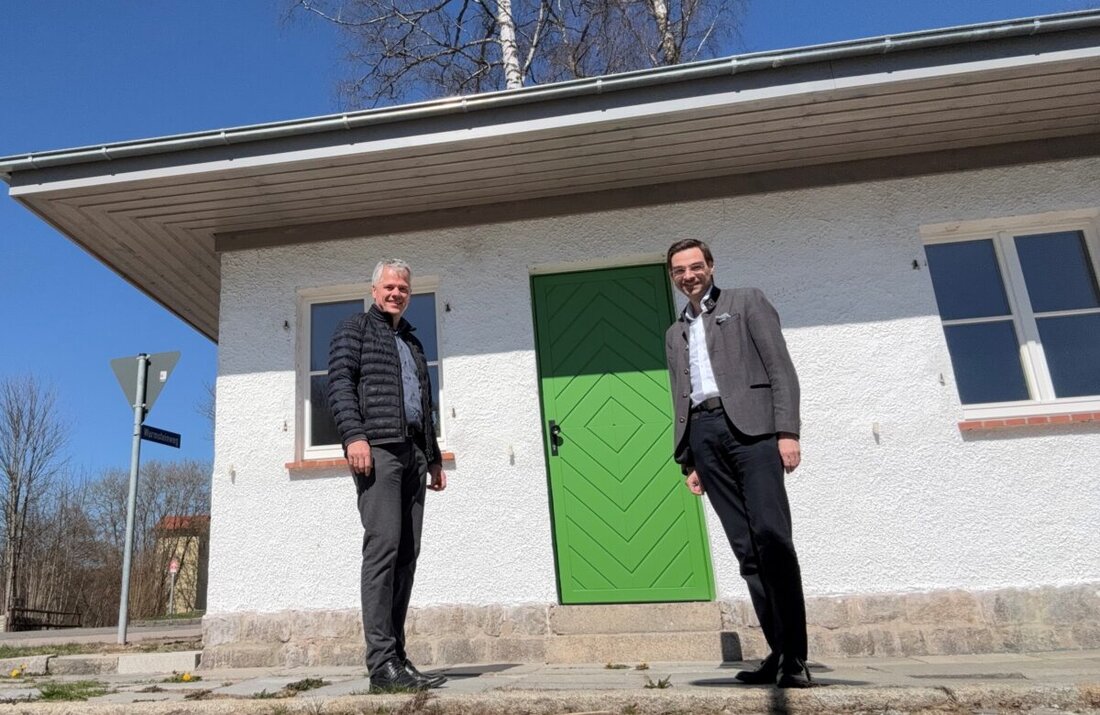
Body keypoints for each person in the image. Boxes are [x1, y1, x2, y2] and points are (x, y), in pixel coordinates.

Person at [664, 239, 813, 688]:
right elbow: (680, 396)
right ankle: (777, 651)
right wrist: (688, 458)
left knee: (772, 539)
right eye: (679, 270)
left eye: (696, 266)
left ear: (710, 266)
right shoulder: (675, 332)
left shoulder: (746, 302)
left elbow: (779, 368)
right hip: (705, 438)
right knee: (747, 553)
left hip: (753, 434)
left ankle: (796, 659)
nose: (689, 275)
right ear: (672, 277)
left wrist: (787, 430)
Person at [327, 258, 447, 693]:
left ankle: (397, 656)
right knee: (383, 550)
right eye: (390, 287)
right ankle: (380, 665)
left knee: (408, 554)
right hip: (377, 450)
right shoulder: (354, 329)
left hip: (414, 451)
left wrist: (432, 457)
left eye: (403, 289)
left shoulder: (412, 341)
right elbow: (339, 384)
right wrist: (354, 437)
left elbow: (422, 401)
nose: (397, 293)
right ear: (374, 290)